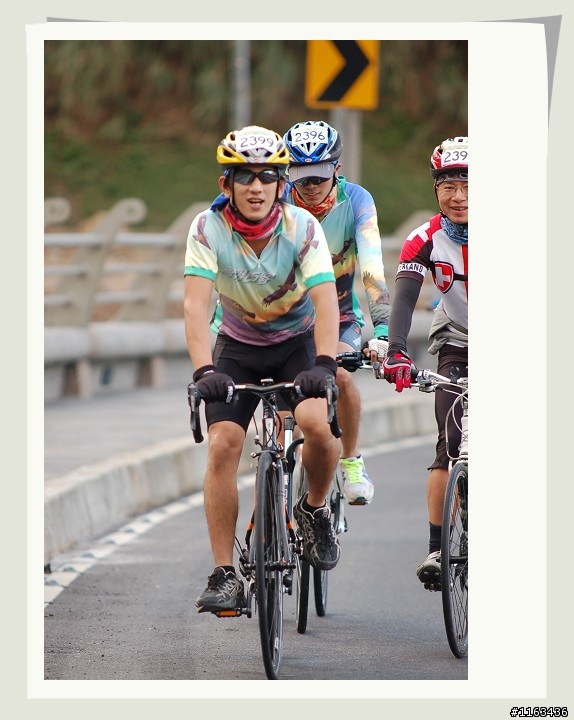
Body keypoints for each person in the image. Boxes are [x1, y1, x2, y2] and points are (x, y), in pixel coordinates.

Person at [183, 125, 342, 614]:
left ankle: (314, 509)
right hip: (237, 347)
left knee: (316, 426)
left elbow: (326, 300)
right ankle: (225, 574)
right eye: (244, 176)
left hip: (297, 343)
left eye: (267, 177)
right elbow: (194, 306)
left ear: (281, 183)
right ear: (225, 184)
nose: (256, 187)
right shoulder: (207, 228)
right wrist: (204, 370)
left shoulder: (303, 227)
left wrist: (325, 363)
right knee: (223, 445)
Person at [282, 120, 392, 506]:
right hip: (285, 318)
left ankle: (351, 458)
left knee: (341, 374)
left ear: (337, 169)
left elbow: (372, 268)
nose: (311, 186)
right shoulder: (276, 201)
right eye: (301, 177)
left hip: (340, 313)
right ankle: (274, 483)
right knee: (277, 408)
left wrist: (382, 330)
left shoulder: (357, 200)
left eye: (319, 176)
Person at [381, 136, 468, 591]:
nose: (458, 196)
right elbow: (404, 299)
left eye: (469, 186)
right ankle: (438, 549)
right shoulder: (424, 239)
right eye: (448, 186)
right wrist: (396, 352)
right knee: (449, 445)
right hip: (458, 341)